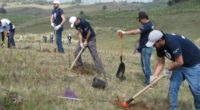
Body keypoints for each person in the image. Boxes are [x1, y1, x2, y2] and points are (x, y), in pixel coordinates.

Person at [146, 30, 200, 110]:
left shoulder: (172, 42)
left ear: (160, 40)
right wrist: (154, 76)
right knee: (173, 87)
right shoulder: (159, 46)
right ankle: (173, 108)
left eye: (154, 44)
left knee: (195, 90)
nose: (153, 46)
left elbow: (179, 62)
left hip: (193, 64)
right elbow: (160, 63)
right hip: (179, 64)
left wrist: (168, 69)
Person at [69, 16, 107, 89]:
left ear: (77, 20)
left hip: (91, 39)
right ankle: (80, 66)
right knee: (76, 52)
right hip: (83, 39)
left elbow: (89, 32)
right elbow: (79, 33)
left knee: (94, 55)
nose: (74, 25)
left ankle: (101, 71)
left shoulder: (84, 22)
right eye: (73, 24)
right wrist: (81, 43)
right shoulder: (76, 24)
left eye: (74, 23)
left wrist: (86, 41)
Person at [117, 11, 154, 85]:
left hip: (146, 48)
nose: (139, 21)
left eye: (139, 20)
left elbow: (135, 32)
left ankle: (149, 83)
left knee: (146, 66)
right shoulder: (149, 24)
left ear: (143, 18)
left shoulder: (147, 25)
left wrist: (124, 33)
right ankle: (148, 80)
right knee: (145, 65)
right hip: (146, 48)